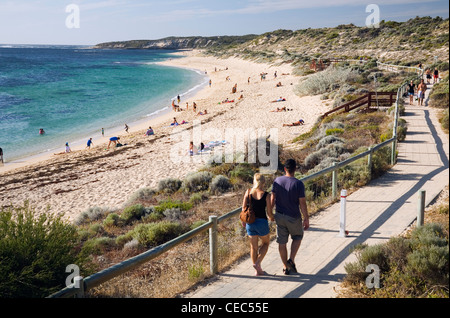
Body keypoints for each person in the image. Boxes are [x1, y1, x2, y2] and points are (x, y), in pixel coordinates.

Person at [271, 159, 309, 275]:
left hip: (279, 216)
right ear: (295, 169)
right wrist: (306, 218)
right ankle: (291, 260)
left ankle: (285, 266)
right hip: (293, 216)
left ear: (285, 169)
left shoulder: (277, 181)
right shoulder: (298, 184)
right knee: (297, 237)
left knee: (282, 242)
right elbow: (302, 203)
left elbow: (272, 199)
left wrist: (270, 214)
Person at [242, 173, 274, 276]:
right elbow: (269, 213)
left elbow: (243, 209)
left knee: (253, 247)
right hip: (261, 222)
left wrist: (243, 221)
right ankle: (257, 263)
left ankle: (257, 271)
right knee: (266, 243)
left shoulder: (248, 192)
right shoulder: (266, 195)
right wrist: (272, 218)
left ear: (254, 182)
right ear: (263, 183)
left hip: (250, 223)